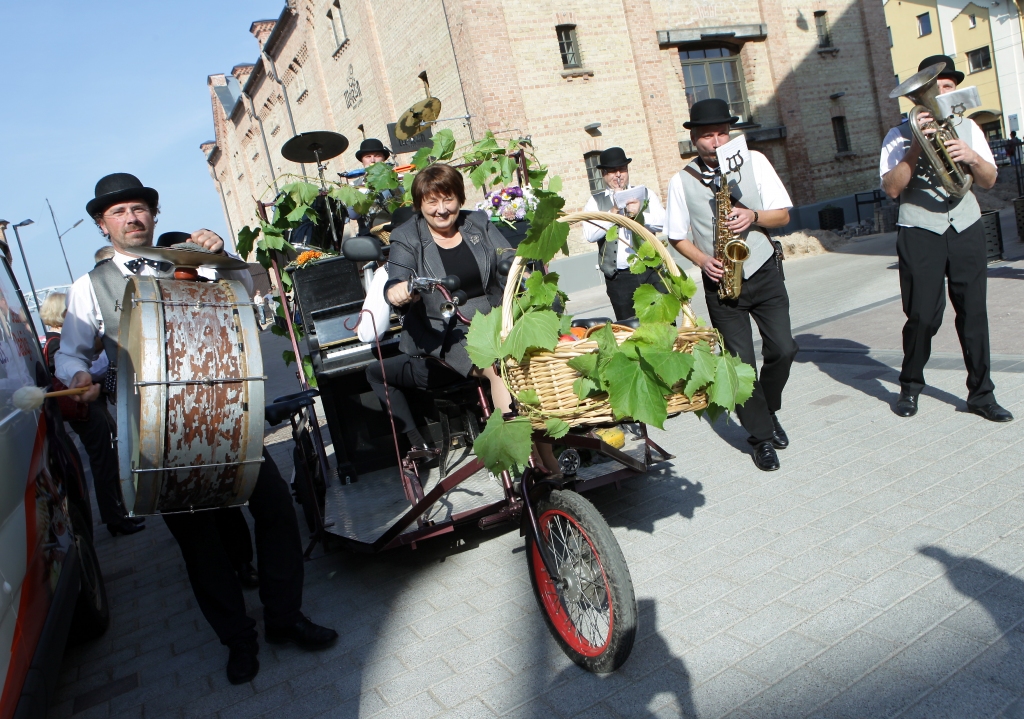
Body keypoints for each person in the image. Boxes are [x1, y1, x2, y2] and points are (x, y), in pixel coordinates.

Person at [55, 173, 336, 684]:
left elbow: (245, 292)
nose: (131, 218)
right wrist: (75, 375)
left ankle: (285, 616)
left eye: (139, 208)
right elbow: (71, 352)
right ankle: (238, 640)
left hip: (226, 414)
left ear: (153, 214)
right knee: (199, 540)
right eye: (118, 212)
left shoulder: (188, 258)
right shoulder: (88, 287)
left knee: (274, 508)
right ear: (102, 225)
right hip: (156, 433)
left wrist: (220, 253)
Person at [666, 98, 797, 472]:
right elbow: (677, 236)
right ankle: (760, 438)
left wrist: (753, 216)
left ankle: (767, 410)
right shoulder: (681, 181)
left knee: (784, 348)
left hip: (763, 269)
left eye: (722, 133)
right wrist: (702, 260)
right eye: (707, 135)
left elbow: (783, 215)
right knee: (740, 364)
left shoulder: (755, 161)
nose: (716, 142)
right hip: (721, 281)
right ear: (694, 139)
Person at [880, 55, 1011, 422]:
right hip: (920, 230)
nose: (940, 95)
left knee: (973, 313)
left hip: (966, 225)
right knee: (922, 315)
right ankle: (910, 385)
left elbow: (988, 181)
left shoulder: (969, 128)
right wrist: (916, 146)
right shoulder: (898, 135)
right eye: (933, 89)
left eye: (947, 88)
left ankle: (981, 394)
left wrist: (971, 157)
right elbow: (892, 189)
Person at [582, 147, 667, 321]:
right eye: (612, 171)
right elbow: (590, 234)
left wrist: (639, 214)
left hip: (650, 270)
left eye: (622, 169)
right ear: (604, 174)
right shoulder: (595, 202)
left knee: (663, 322)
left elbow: (664, 222)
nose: (618, 175)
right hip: (619, 278)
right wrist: (613, 212)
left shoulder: (645, 193)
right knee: (629, 328)